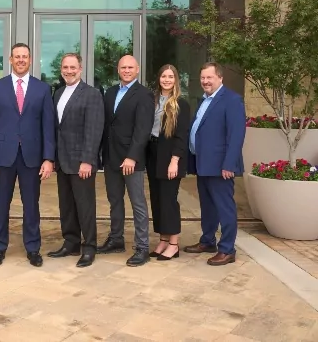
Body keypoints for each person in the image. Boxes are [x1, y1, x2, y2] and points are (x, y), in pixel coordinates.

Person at [0, 43, 55, 267]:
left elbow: (48, 126)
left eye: (25, 57)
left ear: (30, 60)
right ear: (10, 60)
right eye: (17, 57)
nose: (21, 60)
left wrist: (48, 158)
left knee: (31, 205)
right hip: (3, 157)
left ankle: (33, 248)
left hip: (32, 157)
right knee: (1, 204)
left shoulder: (43, 89)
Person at [184, 62, 245, 266]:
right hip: (204, 164)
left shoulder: (232, 100)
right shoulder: (204, 100)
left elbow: (236, 135)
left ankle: (227, 249)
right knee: (208, 206)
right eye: (203, 78)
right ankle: (208, 241)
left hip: (221, 167)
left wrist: (229, 164)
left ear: (220, 78)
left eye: (209, 77)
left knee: (225, 207)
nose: (205, 81)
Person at [48, 53, 104, 268]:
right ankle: (70, 242)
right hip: (63, 160)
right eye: (65, 67)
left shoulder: (91, 94)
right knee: (67, 205)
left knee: (85, 205)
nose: (68, 71)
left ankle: (89, 246)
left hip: (82, 162)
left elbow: (94, 129)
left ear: (80, 69)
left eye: (73, 67)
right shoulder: (58, 93)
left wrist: (88, 160)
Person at [99, 55, 154, 267]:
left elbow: (142, 130)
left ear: (137, 69)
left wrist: (132, 156)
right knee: (115, 201)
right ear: (118, 69)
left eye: (130, 67)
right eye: (123, 67)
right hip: (111, 157)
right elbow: (107, 125)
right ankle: (116, 239)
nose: (127, 70)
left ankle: (142, 247)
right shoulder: (111, 92)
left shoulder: (144, 95)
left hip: (132, 159)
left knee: (137, 203)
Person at [145, 64, 190, 261]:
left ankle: (173, 244)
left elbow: (181, 136)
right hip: (153, 154)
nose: (167, 80)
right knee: (157, 199)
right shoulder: (152, 100)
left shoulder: (181, 104)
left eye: (171, 76)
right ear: (159, 78)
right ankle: (162, 239)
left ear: (176, 80)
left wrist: (174, 161)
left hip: (170, 157)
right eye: (164, 76)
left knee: (169, 200)